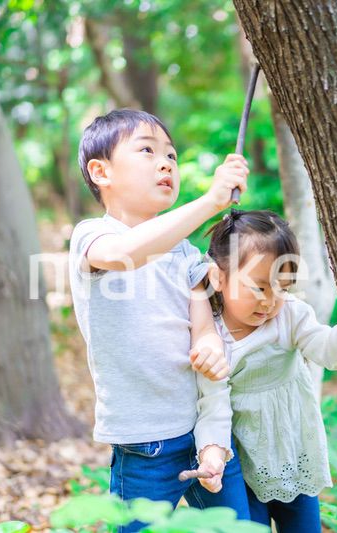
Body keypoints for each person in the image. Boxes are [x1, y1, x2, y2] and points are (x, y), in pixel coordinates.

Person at [68, 109, 251, 531]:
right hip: (143, 442)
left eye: (171, 154)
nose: (166, 162)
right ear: (101, 172)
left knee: (238, 526)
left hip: (204, 431)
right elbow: (124, 255)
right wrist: (209, 202)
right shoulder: (93, 236)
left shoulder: (186, 254)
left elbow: (202, 326)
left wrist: (209, 347)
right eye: (147, 151)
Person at [205, 209, 337, 533]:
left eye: (281, 288)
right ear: (219, 277)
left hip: (292, 453)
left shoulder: (291, 317)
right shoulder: (211, 335)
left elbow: (330, 353)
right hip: (240, 467)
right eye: (258, 288)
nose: (270, 301)